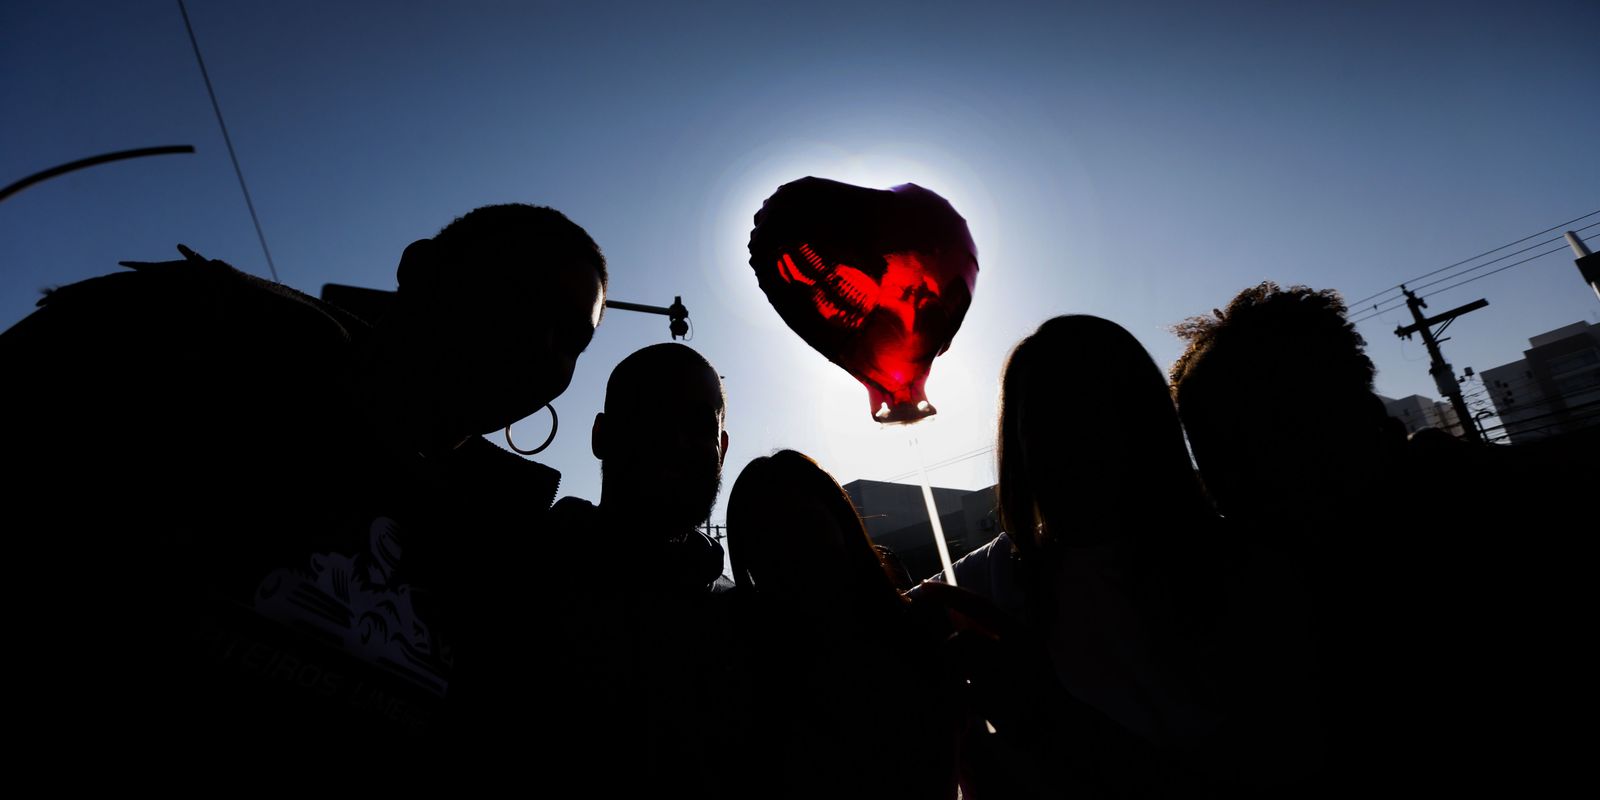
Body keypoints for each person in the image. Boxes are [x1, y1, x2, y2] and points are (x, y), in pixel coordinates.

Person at [1, 203, 606, 763]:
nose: (541, 343)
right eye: (518, 295)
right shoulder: (186, 343)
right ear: (421, 269)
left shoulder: (497, 540)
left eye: (573, 338)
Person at [542, 342, 737, 795]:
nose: (675, 441)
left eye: (697, 425)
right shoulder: (509, 576)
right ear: (601, 436)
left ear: (722, 449)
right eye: (650, 415)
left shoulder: (743, 624)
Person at [727, 449, 961, 800]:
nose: (792, 555)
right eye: (767, 540)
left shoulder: (924, 635)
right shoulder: (739, 675)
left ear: (843, 526)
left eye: (805, 529)